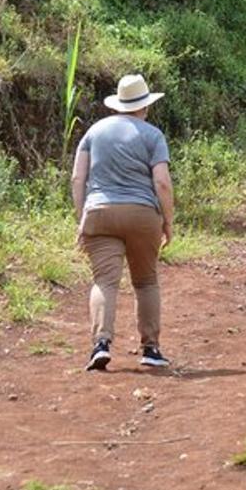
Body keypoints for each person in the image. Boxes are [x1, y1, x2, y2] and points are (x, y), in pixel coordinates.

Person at [72, 74, 175, 372]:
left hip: (99, 212)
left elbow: (78, 178)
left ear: (118, 104)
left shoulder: (94, 131)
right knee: (145, 281)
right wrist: (167, 221)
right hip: (142, 214)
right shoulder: (153, 135)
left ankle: (100, 344)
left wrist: (83, 218)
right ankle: (151, 348)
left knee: (104, 281)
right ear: (146, 106)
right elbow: (162, 183)